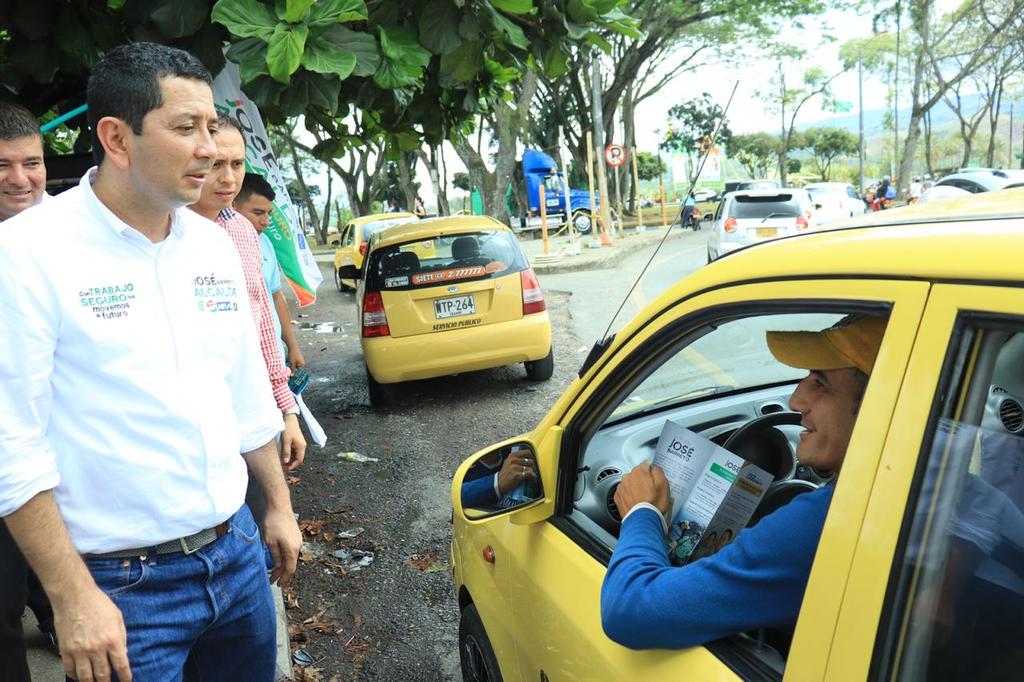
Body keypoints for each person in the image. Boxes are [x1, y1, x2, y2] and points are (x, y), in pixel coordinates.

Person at [0, 42, 302, 681]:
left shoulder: (214, 246)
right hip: (121, 587)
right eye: (186, 127)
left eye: (212, 125)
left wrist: (276, 504)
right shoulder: (26, 255)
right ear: (116, 137)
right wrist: (71, 595)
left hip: (238, 556)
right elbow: (11, 443)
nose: (210, 147)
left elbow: (245, 394)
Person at [601, 314, 886, 649]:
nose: (796, 401)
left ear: (880, 403)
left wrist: (642, 513)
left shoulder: (829, 524)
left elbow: (631, 610)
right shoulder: (948, 490)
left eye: (821, 384)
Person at [188, 120, 306, 480]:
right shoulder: (161, 226)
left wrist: (287, 410)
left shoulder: (239, 229)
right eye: (215, 164)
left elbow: (261, 323)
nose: (227, 178)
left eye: (236, 164)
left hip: (249, 414)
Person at [0, 100, 56, 682]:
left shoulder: (69, 235)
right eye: (2, 165)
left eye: (31, 162)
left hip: (62, 447)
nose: (20, 179)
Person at [234, 172, 306, 372]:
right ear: (233, 206)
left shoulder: (265, 243)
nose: (266, 221)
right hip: (241, 359)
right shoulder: (218, 244)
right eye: (258, 213)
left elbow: (275, 296)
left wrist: (292, 346)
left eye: (269, 213)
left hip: (272, 353)